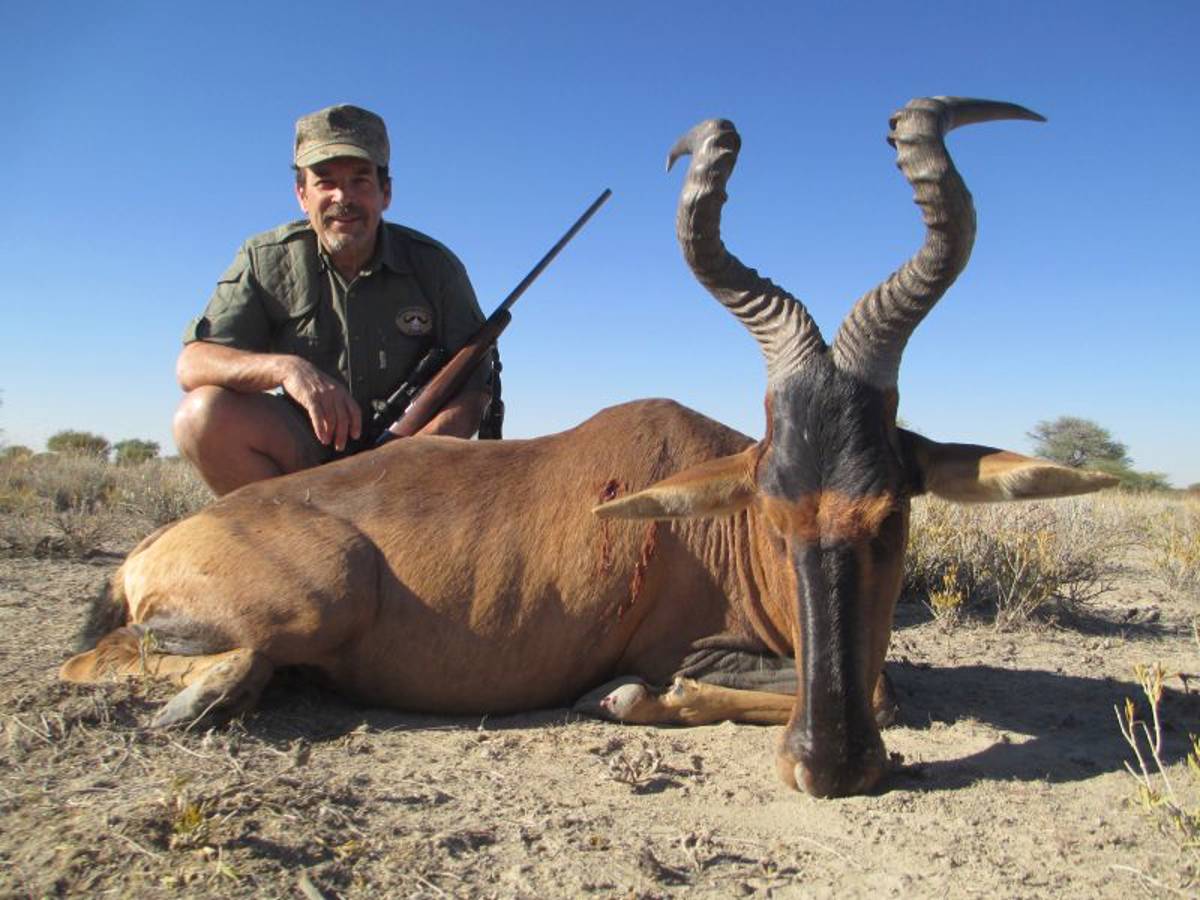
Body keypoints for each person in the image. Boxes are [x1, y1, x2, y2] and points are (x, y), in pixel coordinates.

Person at [174, 104, 496, 495]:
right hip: (304, 457)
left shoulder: (436, 267)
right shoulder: (265, 259)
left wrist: (414, 454)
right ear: (301, 195)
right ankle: (287, 545)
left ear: (386, 193)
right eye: (325, 182)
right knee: (200, 416)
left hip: (410, 469)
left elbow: (475, 387)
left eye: (360, 181)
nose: (343, 197)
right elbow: (193, 363)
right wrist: (288, 370)